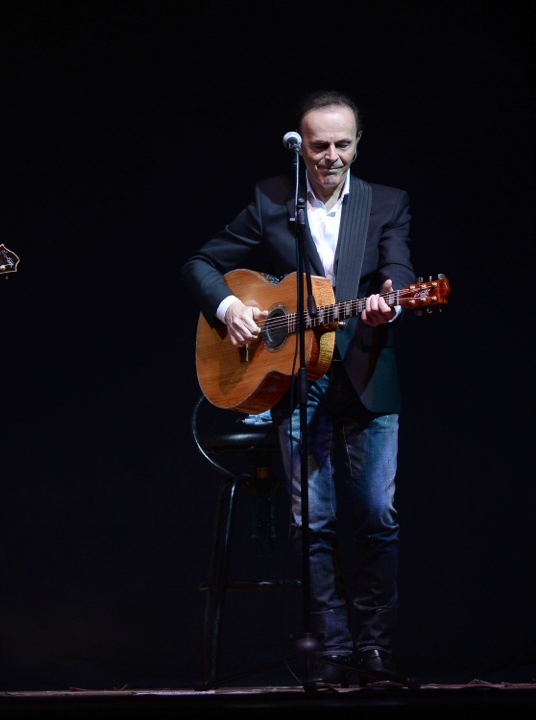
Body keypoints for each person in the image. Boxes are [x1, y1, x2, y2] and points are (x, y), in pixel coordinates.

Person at [182, 90, 414, 688]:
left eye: (342, 144)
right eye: (319, 146)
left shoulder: (386, 202)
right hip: (293, 378)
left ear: (358, 145)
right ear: (300, 147)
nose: (331, 156)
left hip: (365, 373)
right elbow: (201, 264)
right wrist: (231, 306)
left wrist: (391, 299)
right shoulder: (272, 202)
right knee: (312, 520)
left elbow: (400, 270)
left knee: (377, 514)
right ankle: (330, 652)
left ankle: (377, 651)